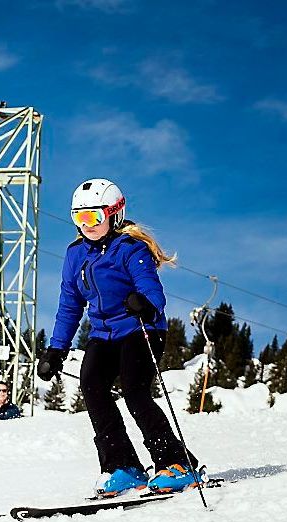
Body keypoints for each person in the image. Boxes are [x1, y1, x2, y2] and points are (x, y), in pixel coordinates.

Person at [38, 178, 200, 498]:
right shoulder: (75, 255)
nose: (88, 225)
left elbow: (152, 290)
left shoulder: (130, 248)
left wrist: (145, 303)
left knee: (134, 391)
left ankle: (176, 464)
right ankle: (122, 467)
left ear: (114, 213)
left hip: (141, 328)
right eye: (79, 218)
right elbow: (70, 304)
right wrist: (56, 350)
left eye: (94, 217)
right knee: (93, 387)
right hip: (102, 333)